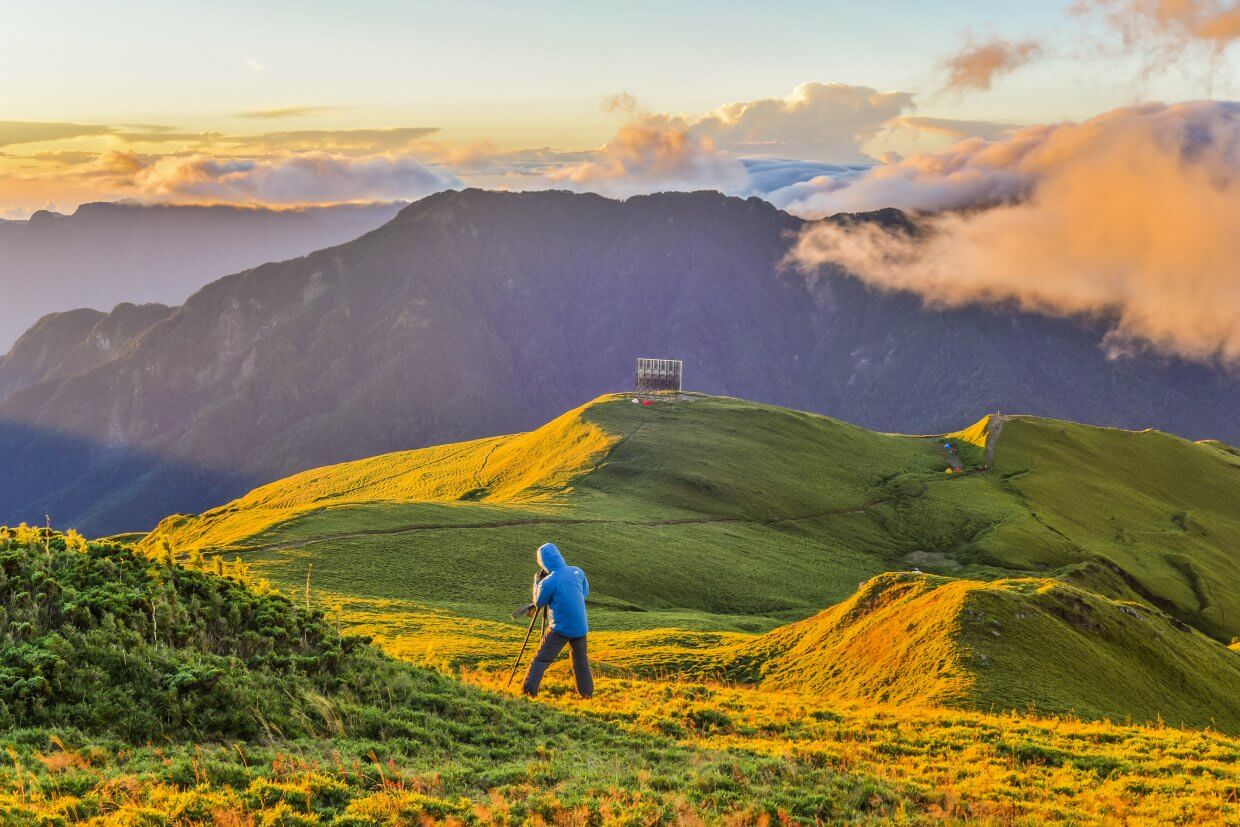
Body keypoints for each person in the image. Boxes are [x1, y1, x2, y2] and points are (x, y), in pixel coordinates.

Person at [522, 542, 594, 698]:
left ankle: (528, 693)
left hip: (560, 628)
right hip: (580, 627)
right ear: (559, 556)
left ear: (543, 562)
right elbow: (585, 592)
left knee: (541, 660)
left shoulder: (548, 582)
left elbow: (539, 602)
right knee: (581, 661)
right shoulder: (577, 571)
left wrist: (537, 582)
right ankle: (587, 695)